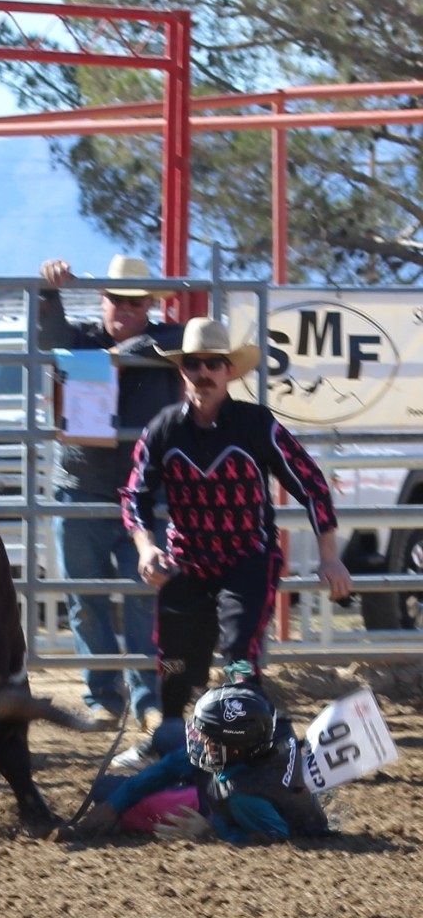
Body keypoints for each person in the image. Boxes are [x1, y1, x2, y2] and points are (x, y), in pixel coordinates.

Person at [117, 316, 352, 756]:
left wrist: (329, 554)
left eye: (213, 364)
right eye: (194, 364)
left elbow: (310, 482)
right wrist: (146, 547)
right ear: (182, 371)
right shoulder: (163, 429)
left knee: (240, 653)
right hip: (187, 560)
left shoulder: (256, 424)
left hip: (248, 557)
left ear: (228, 371)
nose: (203, 373)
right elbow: (135, 494)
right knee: (173, 654)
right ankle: (170, 733)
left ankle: (250, 741)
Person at [39, 254, 184, 732]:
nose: (124, 308)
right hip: (81, 487)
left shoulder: (165, 341)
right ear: (102, 299)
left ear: (149, 306)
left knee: (145, 597)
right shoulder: (80, 339)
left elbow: (183, 337)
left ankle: (148, 700)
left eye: (135, 302)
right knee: (86, 599)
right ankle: (103, 696)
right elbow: (47, 336)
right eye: (116, 299)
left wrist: (124, 354)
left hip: (144, 494)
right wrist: (49, 290)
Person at [68, 682, 332, 844]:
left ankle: (185, 794)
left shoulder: (244, 796)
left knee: (104, 789)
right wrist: (116, 804)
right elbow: (174, 765)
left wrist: (211, 829)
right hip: (233, 778)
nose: (200, 741)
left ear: (234, 748)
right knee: (167, 733)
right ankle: (183, 787)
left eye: (208, 738)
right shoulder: (265, 734)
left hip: (219, 804)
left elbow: (278, 834)